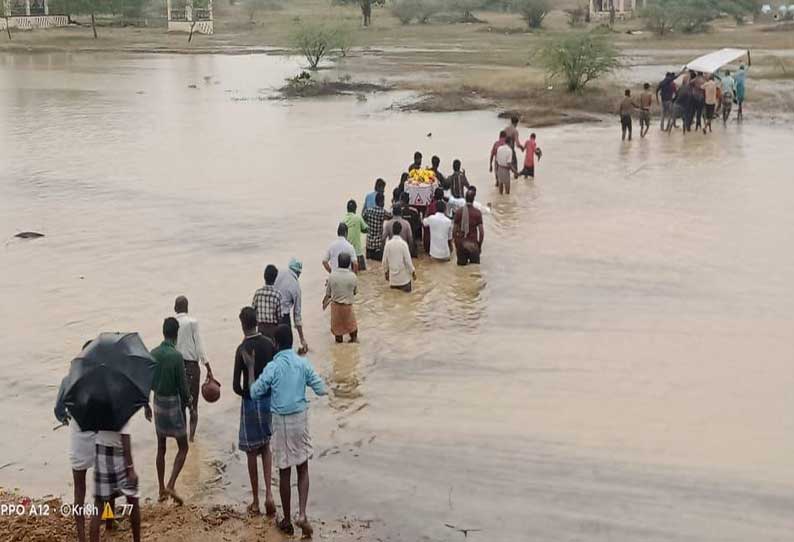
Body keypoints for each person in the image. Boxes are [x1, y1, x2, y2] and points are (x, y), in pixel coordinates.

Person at [248, 325, 328, 538]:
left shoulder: (273, 367)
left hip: (281, 421)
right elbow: (322, 389)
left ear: (275, 344)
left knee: (285, 470)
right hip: (300, 419)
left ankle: (286, 519)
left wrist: (249, 369)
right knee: (303, 467)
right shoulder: (303, 364)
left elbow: (255, 392)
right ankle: (302, 513)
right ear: (291, 342)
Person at [55, 341, 113, 542]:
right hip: (98, 441)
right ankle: (105, 524)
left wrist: (65, 418)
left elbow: (58, 411)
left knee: (79, 491)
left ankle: (81, 537)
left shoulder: (67, 381)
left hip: (78, 442)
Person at [233, 306, 277, 517]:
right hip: (268, 400)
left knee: (251, 450)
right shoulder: (269, 345)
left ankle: (256, 501)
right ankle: (269, 493)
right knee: (266, 446)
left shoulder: (241, 349)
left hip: (250, 402)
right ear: (257, 321)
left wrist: (245, 392)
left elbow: (235, 385)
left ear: (243, 325)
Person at [150, 317, 191, 505]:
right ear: (176, 334)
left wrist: (145, 406)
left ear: (163, 332)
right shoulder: (176, 357)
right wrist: (189, 403)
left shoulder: (153, 354)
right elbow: (183, 388)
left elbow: (146, 382)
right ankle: (171, 483)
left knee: (161, 447)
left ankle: (160, 489)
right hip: (172, 404)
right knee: (183, 446)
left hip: (157, 402)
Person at [90, 412, 142, 542]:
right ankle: (136, 539)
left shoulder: (95, 402)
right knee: (133, 500)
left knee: (101, 502)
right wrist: (130, 468)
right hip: (118, 456)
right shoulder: (120, 404)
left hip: (100, 453)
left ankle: (109, 524)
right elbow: (125, 437)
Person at [174, 296, 210, 443]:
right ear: (187, 308)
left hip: (177, 366)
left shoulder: (172, 323)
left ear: (175, 308)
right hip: (192, 367)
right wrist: (208, 366)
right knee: (193, 405)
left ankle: (182, 436)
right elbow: (200, 346)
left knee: (180, 404)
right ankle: (192, 438)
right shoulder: (192, 323)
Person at [273, 258, 309, 354]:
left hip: (270, 315)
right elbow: (297, 316)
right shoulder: (296, 287)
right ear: (299, 273)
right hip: (283, 318)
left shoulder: (278, 273)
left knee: (273, 347)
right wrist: (302, 339)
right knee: (286, 348)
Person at [324, 252, 358, 343]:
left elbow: (328, 294)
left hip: (336, 308)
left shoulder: (332, 276)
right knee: (353, 333)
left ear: (338, 263)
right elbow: (355, 292)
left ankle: (339, 353)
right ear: (348, 264)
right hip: (348, 308)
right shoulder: (353, 276)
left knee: (338, 336)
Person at [453, 189, 484, 266]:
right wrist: (479, 245)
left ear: (465, 198)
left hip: (461, 244)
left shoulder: (459, 212)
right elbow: (481, 232)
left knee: (461, 272)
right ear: (473, 199)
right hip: (473, 245)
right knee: (475, 271)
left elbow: (454, 231)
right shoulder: (477, 213)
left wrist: (457, 244)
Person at [382, 222, 416, 292]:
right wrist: (413, 272)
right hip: (404, 281)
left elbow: (384, 261)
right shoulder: (403, 244)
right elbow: (408, 262)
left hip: (393, 281)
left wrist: (386, 272)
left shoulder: (388, 245)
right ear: (400, 230)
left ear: (392, 230)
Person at [252, 265, 284, 337]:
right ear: (275, 278)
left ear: (264, 277)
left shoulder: (258, 293)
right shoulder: (277, 295)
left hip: (260, 329)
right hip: (273, 330)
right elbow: (280, 317)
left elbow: (252, 312)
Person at [363, 192, 390, 262]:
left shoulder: (368, 211)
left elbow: (364, 216)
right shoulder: (382, 212)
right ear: (381, 202)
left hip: (368, 245)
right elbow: (391, 217)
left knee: (369, 264)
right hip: (378, 247)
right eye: (383, 201)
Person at [342, 199, 368, 272]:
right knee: (363, 274)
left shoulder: (343, 220)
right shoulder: (358, 218)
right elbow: (366, 229)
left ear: (347, 209)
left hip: (346, 255)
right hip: (357, 253)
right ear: (355, 209)